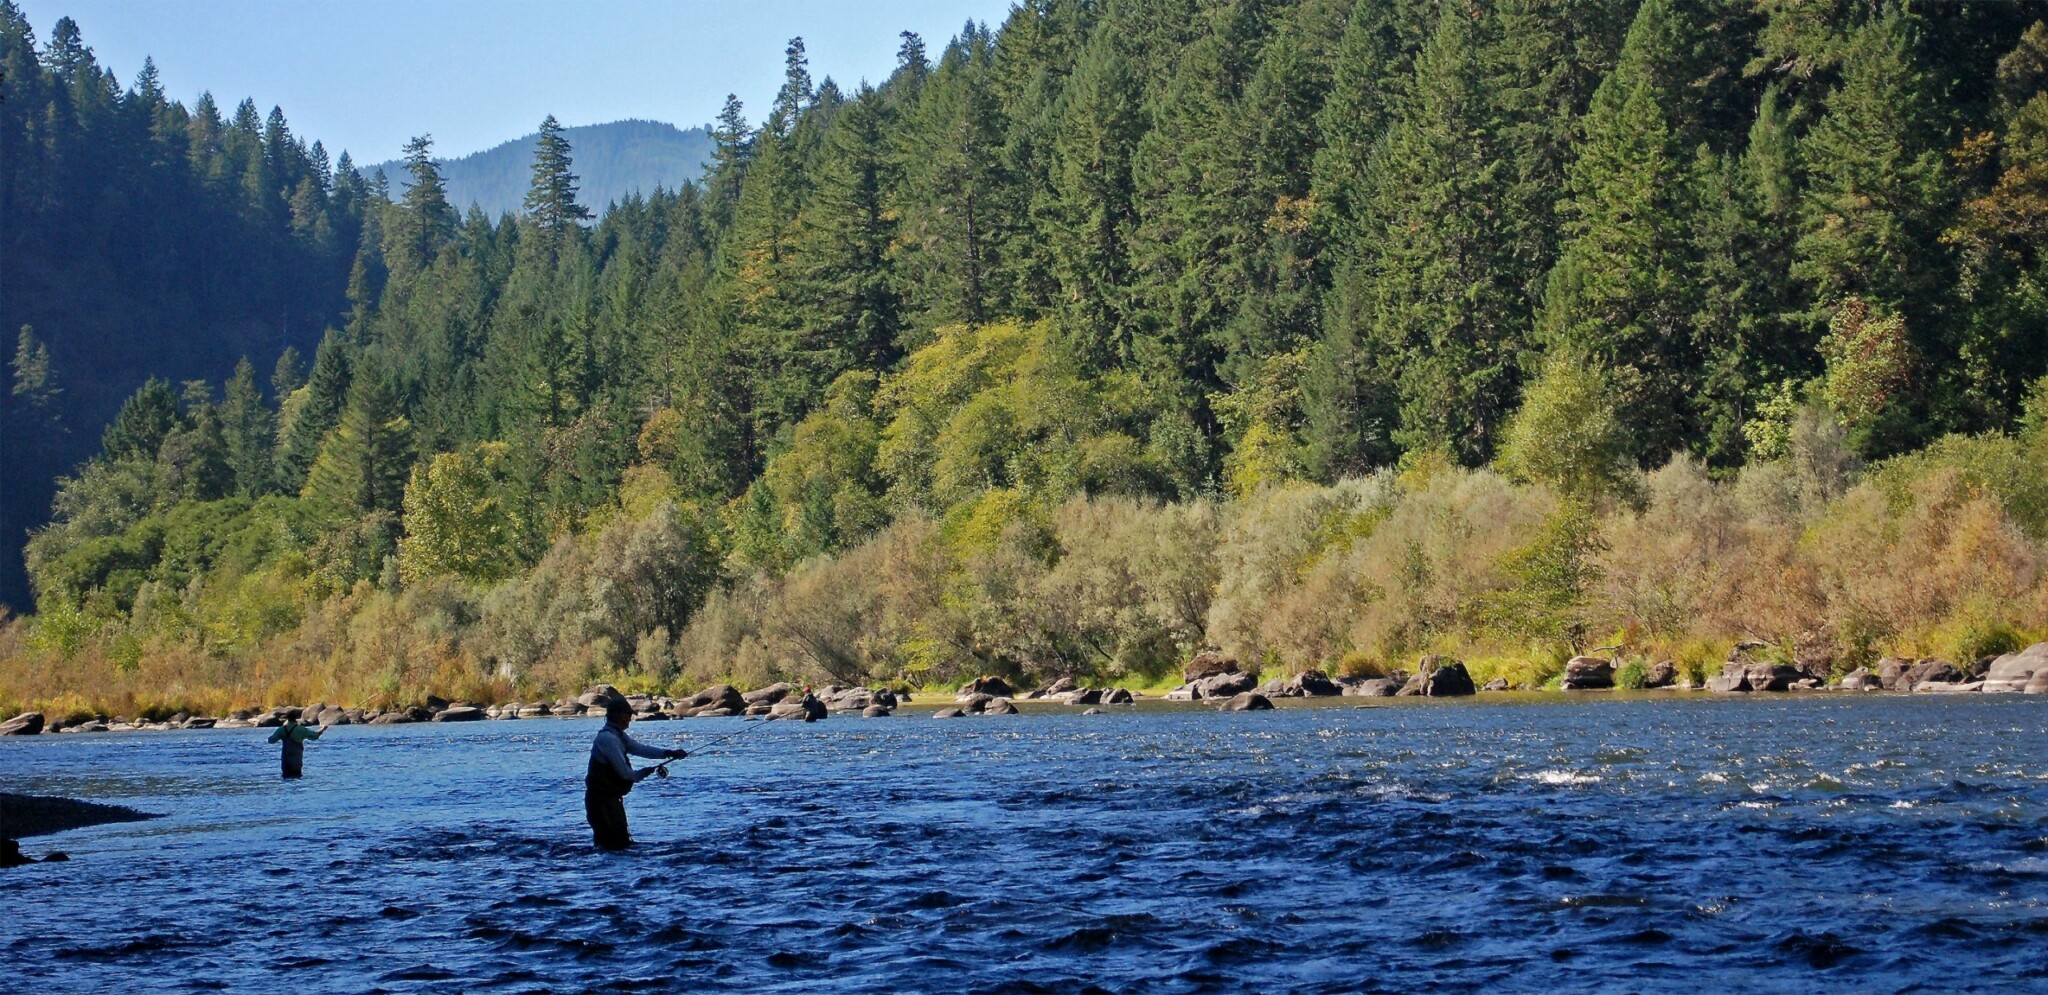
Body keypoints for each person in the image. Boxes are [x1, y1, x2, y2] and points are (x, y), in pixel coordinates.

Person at [586, 698, 686, 851]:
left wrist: (669, 753)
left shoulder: (618, 736)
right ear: (619, 715)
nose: (630, 718)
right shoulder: (607, 739)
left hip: (610, 801)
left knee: (618, 845)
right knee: (611, 846)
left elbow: (640, 749)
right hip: (600, 803)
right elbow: (625, 774)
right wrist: (643, 773)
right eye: (628, 714)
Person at [267, 714, 328, 779]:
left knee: (285, 777)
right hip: (297, 761)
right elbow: (315, 736)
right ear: (296, 719)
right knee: (297, 776)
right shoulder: (301, 729)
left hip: (286, 760)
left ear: (287, 719)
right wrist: (323, 729)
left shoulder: (281, 729)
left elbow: (271, 741)